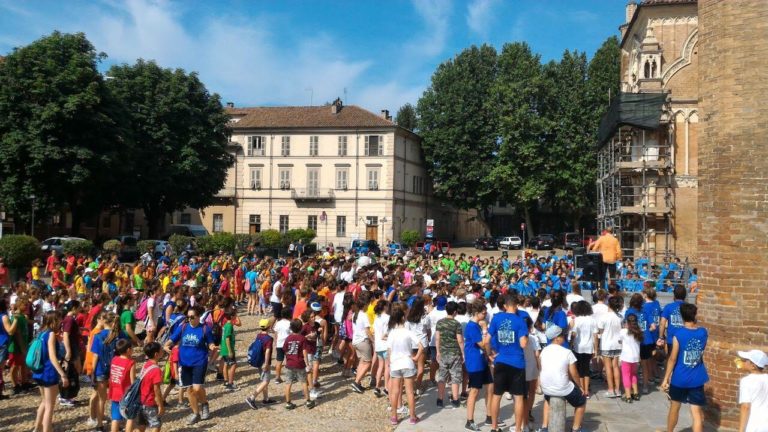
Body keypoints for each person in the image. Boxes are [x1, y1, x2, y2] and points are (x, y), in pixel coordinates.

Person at [661, 303, 709, 432]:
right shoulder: (703, 332)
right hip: (697, 378)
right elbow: (702, 350)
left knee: (674, 407)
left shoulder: (679, 334)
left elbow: (672, 358)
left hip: (680, 378)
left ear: (682, 316)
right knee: (696, 413)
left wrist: (666, 378)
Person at [166, 304, 216, 425]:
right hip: (184, 363)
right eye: (188, 317)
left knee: (197, 388)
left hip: (199, 361)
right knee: (189, 390)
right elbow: (172, 339)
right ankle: (195, 413)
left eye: (192, 317)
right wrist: (166, 345)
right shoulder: (183, 327)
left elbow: (210, 342)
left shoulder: (205, 328)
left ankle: (204, 403)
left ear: (199, 317)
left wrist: (212, 346)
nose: (190, 319)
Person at [487, 293, 528, 432]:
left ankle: (494, 427)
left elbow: (487, 340)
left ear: (505, 306)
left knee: (496, 395)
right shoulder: (520, 321)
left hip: (500, 360)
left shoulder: (496, 318)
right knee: (518, 397)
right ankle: (518, 429)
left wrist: (490, 355)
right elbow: (523, 344)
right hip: (517, 362)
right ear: (516, 306)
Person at [537, 325, 587, 432]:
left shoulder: (544, 351)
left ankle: (545, 427)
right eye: (563, 336)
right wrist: (580, 387)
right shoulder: (567, 352)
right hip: (562, 388)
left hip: (546, 387)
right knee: (581, 402)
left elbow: (540, 368)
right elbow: (574, 373)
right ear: (557, 338)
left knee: (547, 398)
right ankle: (576, 428)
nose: (564, 338)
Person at [386, 304, 422, 426]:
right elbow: (420, 346)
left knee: (395, 391)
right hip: (408, 363)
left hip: (395, 364)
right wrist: (416, 357)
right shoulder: (407, 331)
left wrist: (390, 362)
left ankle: (394, 417)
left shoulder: (391, 333)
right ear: (403, 318)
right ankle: (412, 417)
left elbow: (389, 351)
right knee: (410, 392)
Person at [33, 311, 69, 432]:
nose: (61, 322)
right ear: (54, 321)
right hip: (48, 372)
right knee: (50, 407)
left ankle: (37, 428)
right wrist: (63, 374)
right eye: (59, 320)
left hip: (39, 371)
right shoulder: (51, 334)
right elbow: (53, 357)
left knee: (44, 402)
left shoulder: (41, 333)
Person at [463, 299, 496, 431]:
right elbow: (482, 344)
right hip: (474, 362)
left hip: (481, 360)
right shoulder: (472, 326)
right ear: (477, 313)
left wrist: (490, 355)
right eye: (483, 313)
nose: (485, 315)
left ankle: (489, 416)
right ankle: (469, 420)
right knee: (475, 391)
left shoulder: (475, 325)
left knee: (490, 386)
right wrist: (484, 329)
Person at [436, 301, 464, 409]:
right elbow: (460, 340)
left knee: (442, 376)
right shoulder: (456, 324)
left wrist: (438, 351)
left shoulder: (440, 323)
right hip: (454, 353)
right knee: (455, 376)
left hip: (443, 353)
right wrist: (463, 353)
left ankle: (440, 399)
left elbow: (438, 338)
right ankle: (455, 399)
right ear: (455, 312)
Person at [245, 319, 278, 409]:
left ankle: (266, 399)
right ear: (268, 327)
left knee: (264, 380)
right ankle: (252, 398)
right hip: (264, 362)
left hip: (258, 360)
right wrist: (267, 364)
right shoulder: (269, 339)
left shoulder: (258, 335)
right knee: (266, 381)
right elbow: (267, 352)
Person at [283, 318, 315, 410]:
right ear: (301, 328)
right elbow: (304, 352)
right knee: (304, 382)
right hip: (300, 363)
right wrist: (307, 364)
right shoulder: (302, 338)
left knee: (288, 383)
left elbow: (285, 350)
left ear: (291, 328)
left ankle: (288, 402)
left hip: (289, 364)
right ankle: (308, 401)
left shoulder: (288, 338)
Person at [570, 300, 597, 398]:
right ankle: (586, 391)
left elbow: (573, 334)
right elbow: (595, 336)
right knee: (586, 369)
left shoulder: (577, 320)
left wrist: (570, 344)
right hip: (589, 347)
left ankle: (581, 390)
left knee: (580, 370)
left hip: (578, 347)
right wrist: (596, 349)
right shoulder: (592, 320)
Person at [598, 296, 623, 398]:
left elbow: (600, 331)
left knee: (608, 367)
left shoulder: (604, 317)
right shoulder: (620, 317)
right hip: (618, 343)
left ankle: (610, 389)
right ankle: (618, 389)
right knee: (616, 366)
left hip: (606, 344)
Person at [736, 350, 768, 432]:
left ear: (753, 366)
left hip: (754, 426)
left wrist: (741, 430)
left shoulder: (746, 381)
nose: (744, 362)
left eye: (746, 360)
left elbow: (745, 407)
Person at [108, 339, 136, 432]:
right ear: (128, 350)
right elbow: (133, 382)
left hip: (114, 392)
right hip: (125, 394)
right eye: (132, 348)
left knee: (115, 418)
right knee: (130, 417)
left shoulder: (114, 359)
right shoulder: (131, 362)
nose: (133, 350)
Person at [137, 342, 164, 432]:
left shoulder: (146, 364)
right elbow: (157, 390)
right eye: (161, 350)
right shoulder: (156, 370)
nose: (162, 351)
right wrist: (160, 405)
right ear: (156, 354)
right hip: (150, 401)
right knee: (156, 424)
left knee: (142, 424)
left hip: (141, 400)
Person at [619, 314, 643, 403]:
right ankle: (636, 393)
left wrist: (625, 327)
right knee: (633, 374)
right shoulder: (639, 331)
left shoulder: (623, 331)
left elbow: (620, 340)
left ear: (627, 322)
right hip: (636, 357)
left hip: (626, 357)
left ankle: (628, 395)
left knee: (626, 375)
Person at [220, 307, 238, 391]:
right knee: (233, 365)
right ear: (231, 316)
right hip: (228, 349)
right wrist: (230, 351)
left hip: (224, 348)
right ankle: (230, 383)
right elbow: (227, 338)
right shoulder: (229, 326)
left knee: (226, 364)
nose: (236, 316)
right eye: (235, 315)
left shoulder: (225, 325)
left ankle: (226, 381)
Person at [273, 308, 292, 383]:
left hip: (279, 344)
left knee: (279, 361)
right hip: (288, 344)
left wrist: (275, 343)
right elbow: (291, 334)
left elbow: (276, 334)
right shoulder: (290, 323)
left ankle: (277, 377)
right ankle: (289, 377)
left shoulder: (278, 323)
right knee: (289, 360)